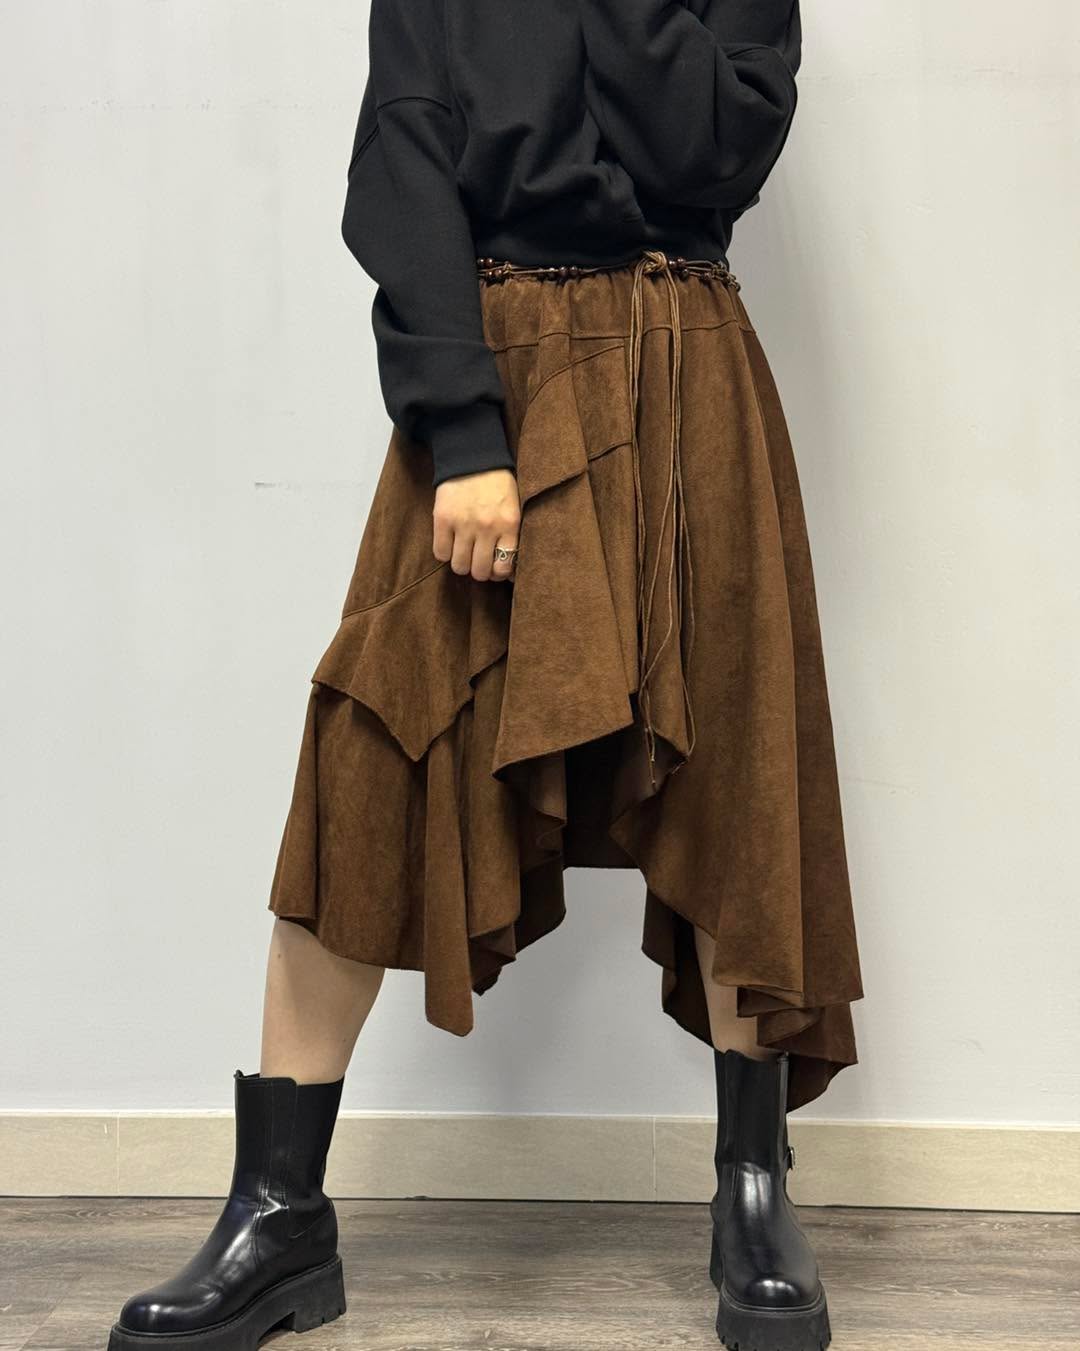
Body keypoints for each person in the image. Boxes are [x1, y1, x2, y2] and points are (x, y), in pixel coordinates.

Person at [108, 3, 864, 1349]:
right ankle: (279, 1215)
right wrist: (462, 431)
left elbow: (717, 148)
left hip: (687, 372)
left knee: (737, 772)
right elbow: (401, 164)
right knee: (372, 758)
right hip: (497, 384)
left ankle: (752, 1194)